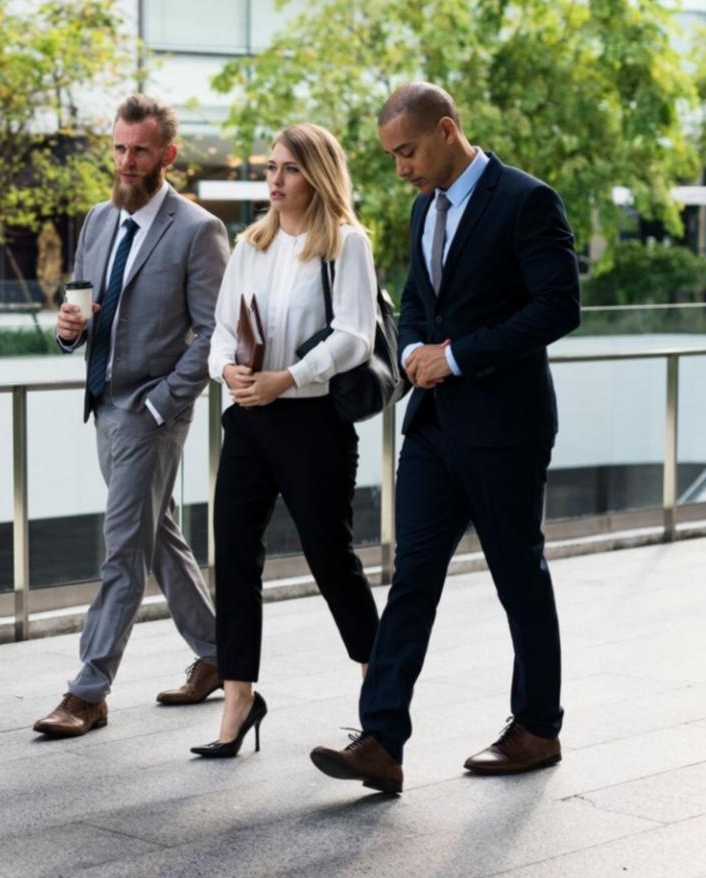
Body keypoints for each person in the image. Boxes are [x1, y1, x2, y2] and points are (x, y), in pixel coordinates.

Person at [310, 83, 580, 793]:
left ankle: (538, 727)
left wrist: (456, 355)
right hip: (433, 429)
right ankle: (380, 740)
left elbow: (559, 306)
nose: (400, 168)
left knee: (519, 575)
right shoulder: (421, 208)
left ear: (448, 130)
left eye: (407, 151)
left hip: (504, 428)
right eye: (392, 155)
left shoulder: (527, 200)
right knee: (411, 579)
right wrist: (414, 350)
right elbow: (420, 304)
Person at [34, 93, 229, 738]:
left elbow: (211, 334)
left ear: (167, 155)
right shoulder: (96, 220)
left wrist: (161, 402)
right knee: (157, 535)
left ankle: (88, 691)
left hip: (151, 412)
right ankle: (218, 655)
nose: (125, 161)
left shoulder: (198, 231)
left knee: (122, 549)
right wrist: (67, 329)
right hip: (104, 405)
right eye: (118, 148)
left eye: (138, 150)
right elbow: (82, 306)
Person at [191, 123, 381, 759]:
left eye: (289, 169)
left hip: (312, 422)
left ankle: (378, 694)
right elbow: (220, 331)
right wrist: (232, 371)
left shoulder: (345, 245)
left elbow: (355, 336)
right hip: (250, 420)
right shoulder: (251, 245)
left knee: (331, 559)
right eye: (270, 167)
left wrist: (288, 378)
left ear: (318, 176)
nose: (274, 180)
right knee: (235, 557)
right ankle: (240, 698)